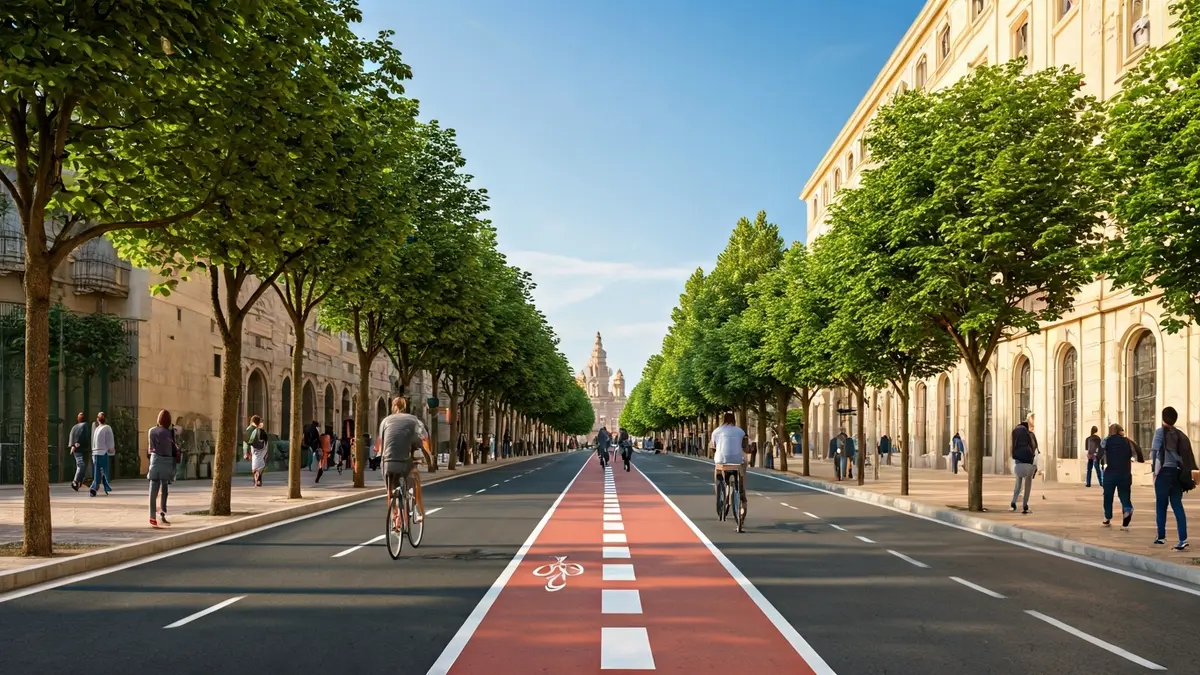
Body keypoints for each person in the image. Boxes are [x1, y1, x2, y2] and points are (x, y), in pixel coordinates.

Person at [379, 397, 433, 527]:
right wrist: (429, 456)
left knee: (390, 491)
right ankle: (417, 510)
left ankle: (394, 518)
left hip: (387, 463)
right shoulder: (414, 420)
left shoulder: (385, 421)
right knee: (415, 479)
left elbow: (380, 444)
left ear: (393, 407)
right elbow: (424, 438)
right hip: (404, 462)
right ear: (405, 406)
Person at [1151, 406, 1196, 550]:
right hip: (1177, 473)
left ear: (1163, 418)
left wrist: (1154, 473)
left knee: (1161, 505)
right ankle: (1182, 539)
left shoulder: (1160, 432)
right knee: (1177, 505)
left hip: (1164, 472)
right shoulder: (1181, 435)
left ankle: (1161, 537)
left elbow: (1155, 453)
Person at [1097, 423, 1141, 530]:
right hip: (1125, 474)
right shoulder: (1128, 441)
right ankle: (1127, 512)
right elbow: (1138, 451)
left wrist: (1100, 463)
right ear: (1120, 431)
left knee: (1108, 496)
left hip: (1110, 473)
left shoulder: (1106, 440)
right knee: (1125, 495)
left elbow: (1099, 455)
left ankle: (1107, 517)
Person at [712, 412, 749, 532]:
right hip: (737, 461)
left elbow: (713, 446)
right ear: (734, 420)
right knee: (742, 470)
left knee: (718, 473)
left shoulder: (716, 431)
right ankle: (741, 490)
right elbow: (745, 447)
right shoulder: (740, 431)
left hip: (721, 461)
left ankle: (720, 495)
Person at [147, 410, 178, 528]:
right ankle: (162, 513)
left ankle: (152, 516)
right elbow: (174, 448)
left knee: (153, 489)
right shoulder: (171, 433)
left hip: (155, 460)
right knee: (164, 487)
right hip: (167, 463)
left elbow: (150, 449)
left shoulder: (151, 431)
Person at [1010, 415, 1037, 513]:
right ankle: (1025, 504)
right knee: (1027, 486)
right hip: (1029, 466)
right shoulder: (1030, 435)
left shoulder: (1016, 435)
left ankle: (1013, 501)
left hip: (1018, 466)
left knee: (1018, 484)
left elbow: (1012, 450)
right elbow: (1034, 447)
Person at [90, 412, 115, 497]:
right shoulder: (107, 428)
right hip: (103, 452)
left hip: (95, 453)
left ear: (97, 419)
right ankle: (99, 487)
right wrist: (111, 449)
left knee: (97, 471)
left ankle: (96, 487)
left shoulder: (96, 429)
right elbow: (109, 440)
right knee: (103, 471)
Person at [243, 415, 268, 487]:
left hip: (253, 448)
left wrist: (245, 452)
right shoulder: (260, 430)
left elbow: (245, 442)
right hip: (262, 447)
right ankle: (258, 479)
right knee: (260, 463)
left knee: (255, 461)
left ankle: (256, 479)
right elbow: (266, 441)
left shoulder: (248, 429)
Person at [69, 412, 89, 491]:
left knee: (80, 465)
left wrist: (72, 445)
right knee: (81, 465)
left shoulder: (74, 427)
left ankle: (78, 482)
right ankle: (76, 481)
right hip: (82, 448)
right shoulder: (85, 425)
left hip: (76, 448)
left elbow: (71, 436)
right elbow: (86, 436)